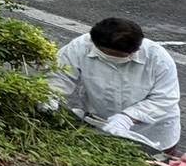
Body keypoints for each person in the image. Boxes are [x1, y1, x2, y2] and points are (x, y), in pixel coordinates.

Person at [46, 18, 181, 154]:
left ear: (137, 50)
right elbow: (60, 75)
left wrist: (127, 118)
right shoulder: (79, 47)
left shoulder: (157, 58)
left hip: (152, 133)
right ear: (95, 44)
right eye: (109, 54)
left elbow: (164, 98)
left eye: (120, 56)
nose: (114, 59)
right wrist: (48, 95)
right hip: (101, 127)